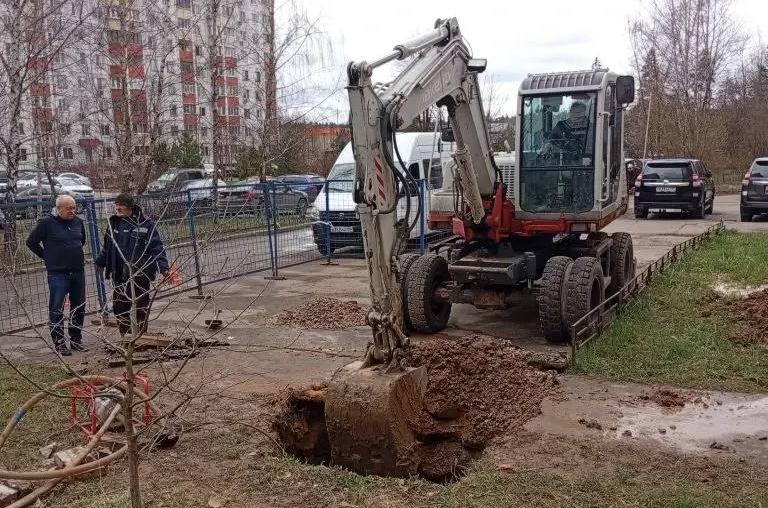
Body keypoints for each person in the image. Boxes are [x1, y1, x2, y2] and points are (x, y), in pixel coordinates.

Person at [95, 194, 169, 337]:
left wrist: (163, 267)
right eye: (116, 206)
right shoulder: (113, 223)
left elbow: (156, 247)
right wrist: (101, 261)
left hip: (140, 273)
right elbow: (108, 247)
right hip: (119, 274)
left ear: (130, 207)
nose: (117, 209)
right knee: (119, 307)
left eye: (121, 207)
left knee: (140, 307)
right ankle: (127, 336)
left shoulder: (146, 224)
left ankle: (141, 336)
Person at [26, 194, 87, 356]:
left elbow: (81, 241)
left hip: (77, 272)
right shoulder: (47, 224)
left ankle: (76, 338)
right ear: (58, 208)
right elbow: (31, 242)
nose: (72, 211)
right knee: (57, 308)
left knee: (79, 306)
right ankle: (59, 342)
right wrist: (47, 257)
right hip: (58, 273)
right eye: (68, 208)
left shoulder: (78, 223)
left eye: (74, 208)